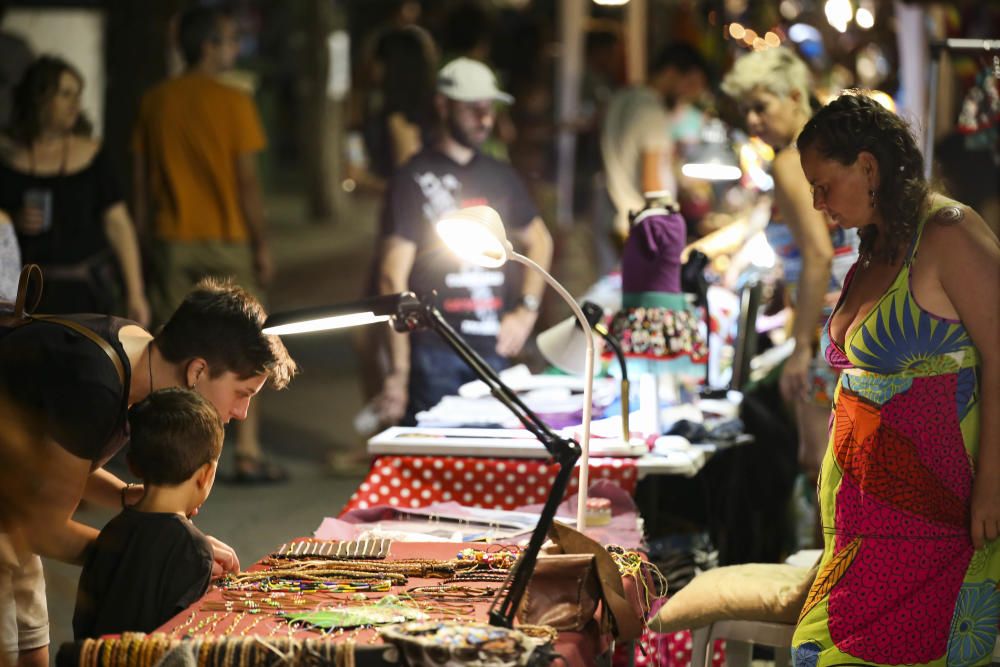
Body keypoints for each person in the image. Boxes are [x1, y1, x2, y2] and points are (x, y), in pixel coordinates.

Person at [791, 92, 1000, 664]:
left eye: (823, 185)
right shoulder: (878, 245)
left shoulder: (948, 232)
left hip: (935, 516)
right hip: (864, 521)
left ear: (867, 166)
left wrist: (992, 485)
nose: (816, 202)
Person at [0, 278, 296, 666]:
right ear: (197, 371)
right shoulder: (97, 386)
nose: (240, 414)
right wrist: (159, 554)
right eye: (243, 393)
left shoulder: (139, 354)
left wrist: (126, 497)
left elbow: (62, 457)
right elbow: (44, 530)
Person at [132, 7, 277, 482]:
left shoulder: (155, 101)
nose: (233, 50)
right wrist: (260, 243)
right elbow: (248, 181)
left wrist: (142, 239)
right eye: (229, 41)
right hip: (229, 237)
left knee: (173, 352)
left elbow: (144, 183)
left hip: (173, 236)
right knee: (249, 343)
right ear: (210, 46)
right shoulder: (233, 102)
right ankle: (248, 451)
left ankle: (167, 455)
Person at [720, 47, 858, 522]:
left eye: (762, 106)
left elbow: (819, 253)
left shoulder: (791, 160)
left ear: (796, 95)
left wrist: (800, 346)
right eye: (747, 111)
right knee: (837, 462)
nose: (753, 120)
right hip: (847, 313)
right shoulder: (826, 151)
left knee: (819, 462)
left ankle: (827, 584)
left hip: (825, 319)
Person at [377, 57, 553, 425]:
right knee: (439, 466)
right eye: (472, 109)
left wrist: (526, 311)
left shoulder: (501, 176)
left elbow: (540, 240)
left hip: (493, 348)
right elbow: (392, 278)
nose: (484, 119)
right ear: (443, 105)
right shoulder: (413, 177)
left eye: (488, 109)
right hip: (434, 349)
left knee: (493, 460)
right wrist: (399, 372)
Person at [0, 56, 149, 325]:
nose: (75, 105)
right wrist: (14, 219)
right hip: (23, 295)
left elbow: (118, 225)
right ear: (39, 98)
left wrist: (135, 294)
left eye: (77, 95)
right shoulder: (8, 157)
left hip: (83, 295)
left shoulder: (92, 155)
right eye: (65, 94)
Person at [73, 389, 222, 639]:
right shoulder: (193, 548)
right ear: (206, 474)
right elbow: (184, 640)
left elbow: (84, 621)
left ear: (132, 465)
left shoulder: (111, 530)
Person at [599, 43, 709, 274]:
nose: (690, 94)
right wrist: (667, 236)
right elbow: (652, 184)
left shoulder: (623, 97)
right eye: (689, 83)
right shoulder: (652, 112)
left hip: (612, 216)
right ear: (671, 72)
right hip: (641, 228)